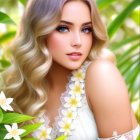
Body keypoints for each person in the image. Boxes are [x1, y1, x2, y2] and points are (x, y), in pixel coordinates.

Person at [1, 0, 139, 139]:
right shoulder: (22, 91)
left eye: (86, 29)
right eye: (63, 28)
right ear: (39, 30)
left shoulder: (101, 74)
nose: (78, 41)